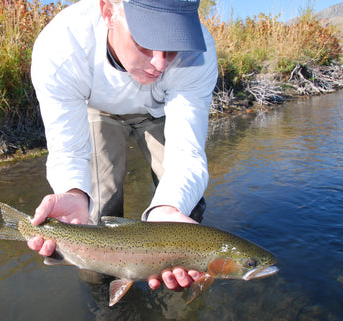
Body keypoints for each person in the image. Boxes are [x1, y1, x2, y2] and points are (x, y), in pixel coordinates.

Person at [28, 0, 218, 292]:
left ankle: (184, 297)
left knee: (185, 207)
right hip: (97, 108)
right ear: (108, 11)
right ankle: (105, 298)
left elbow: (187, 155)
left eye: (173, 45)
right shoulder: (61, 46)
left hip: (161, 109)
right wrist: (74, 191)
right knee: (97, 211)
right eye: (146, 41)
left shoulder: (199, 51)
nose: (160, 63)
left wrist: (168, 209)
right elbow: (69, 151)